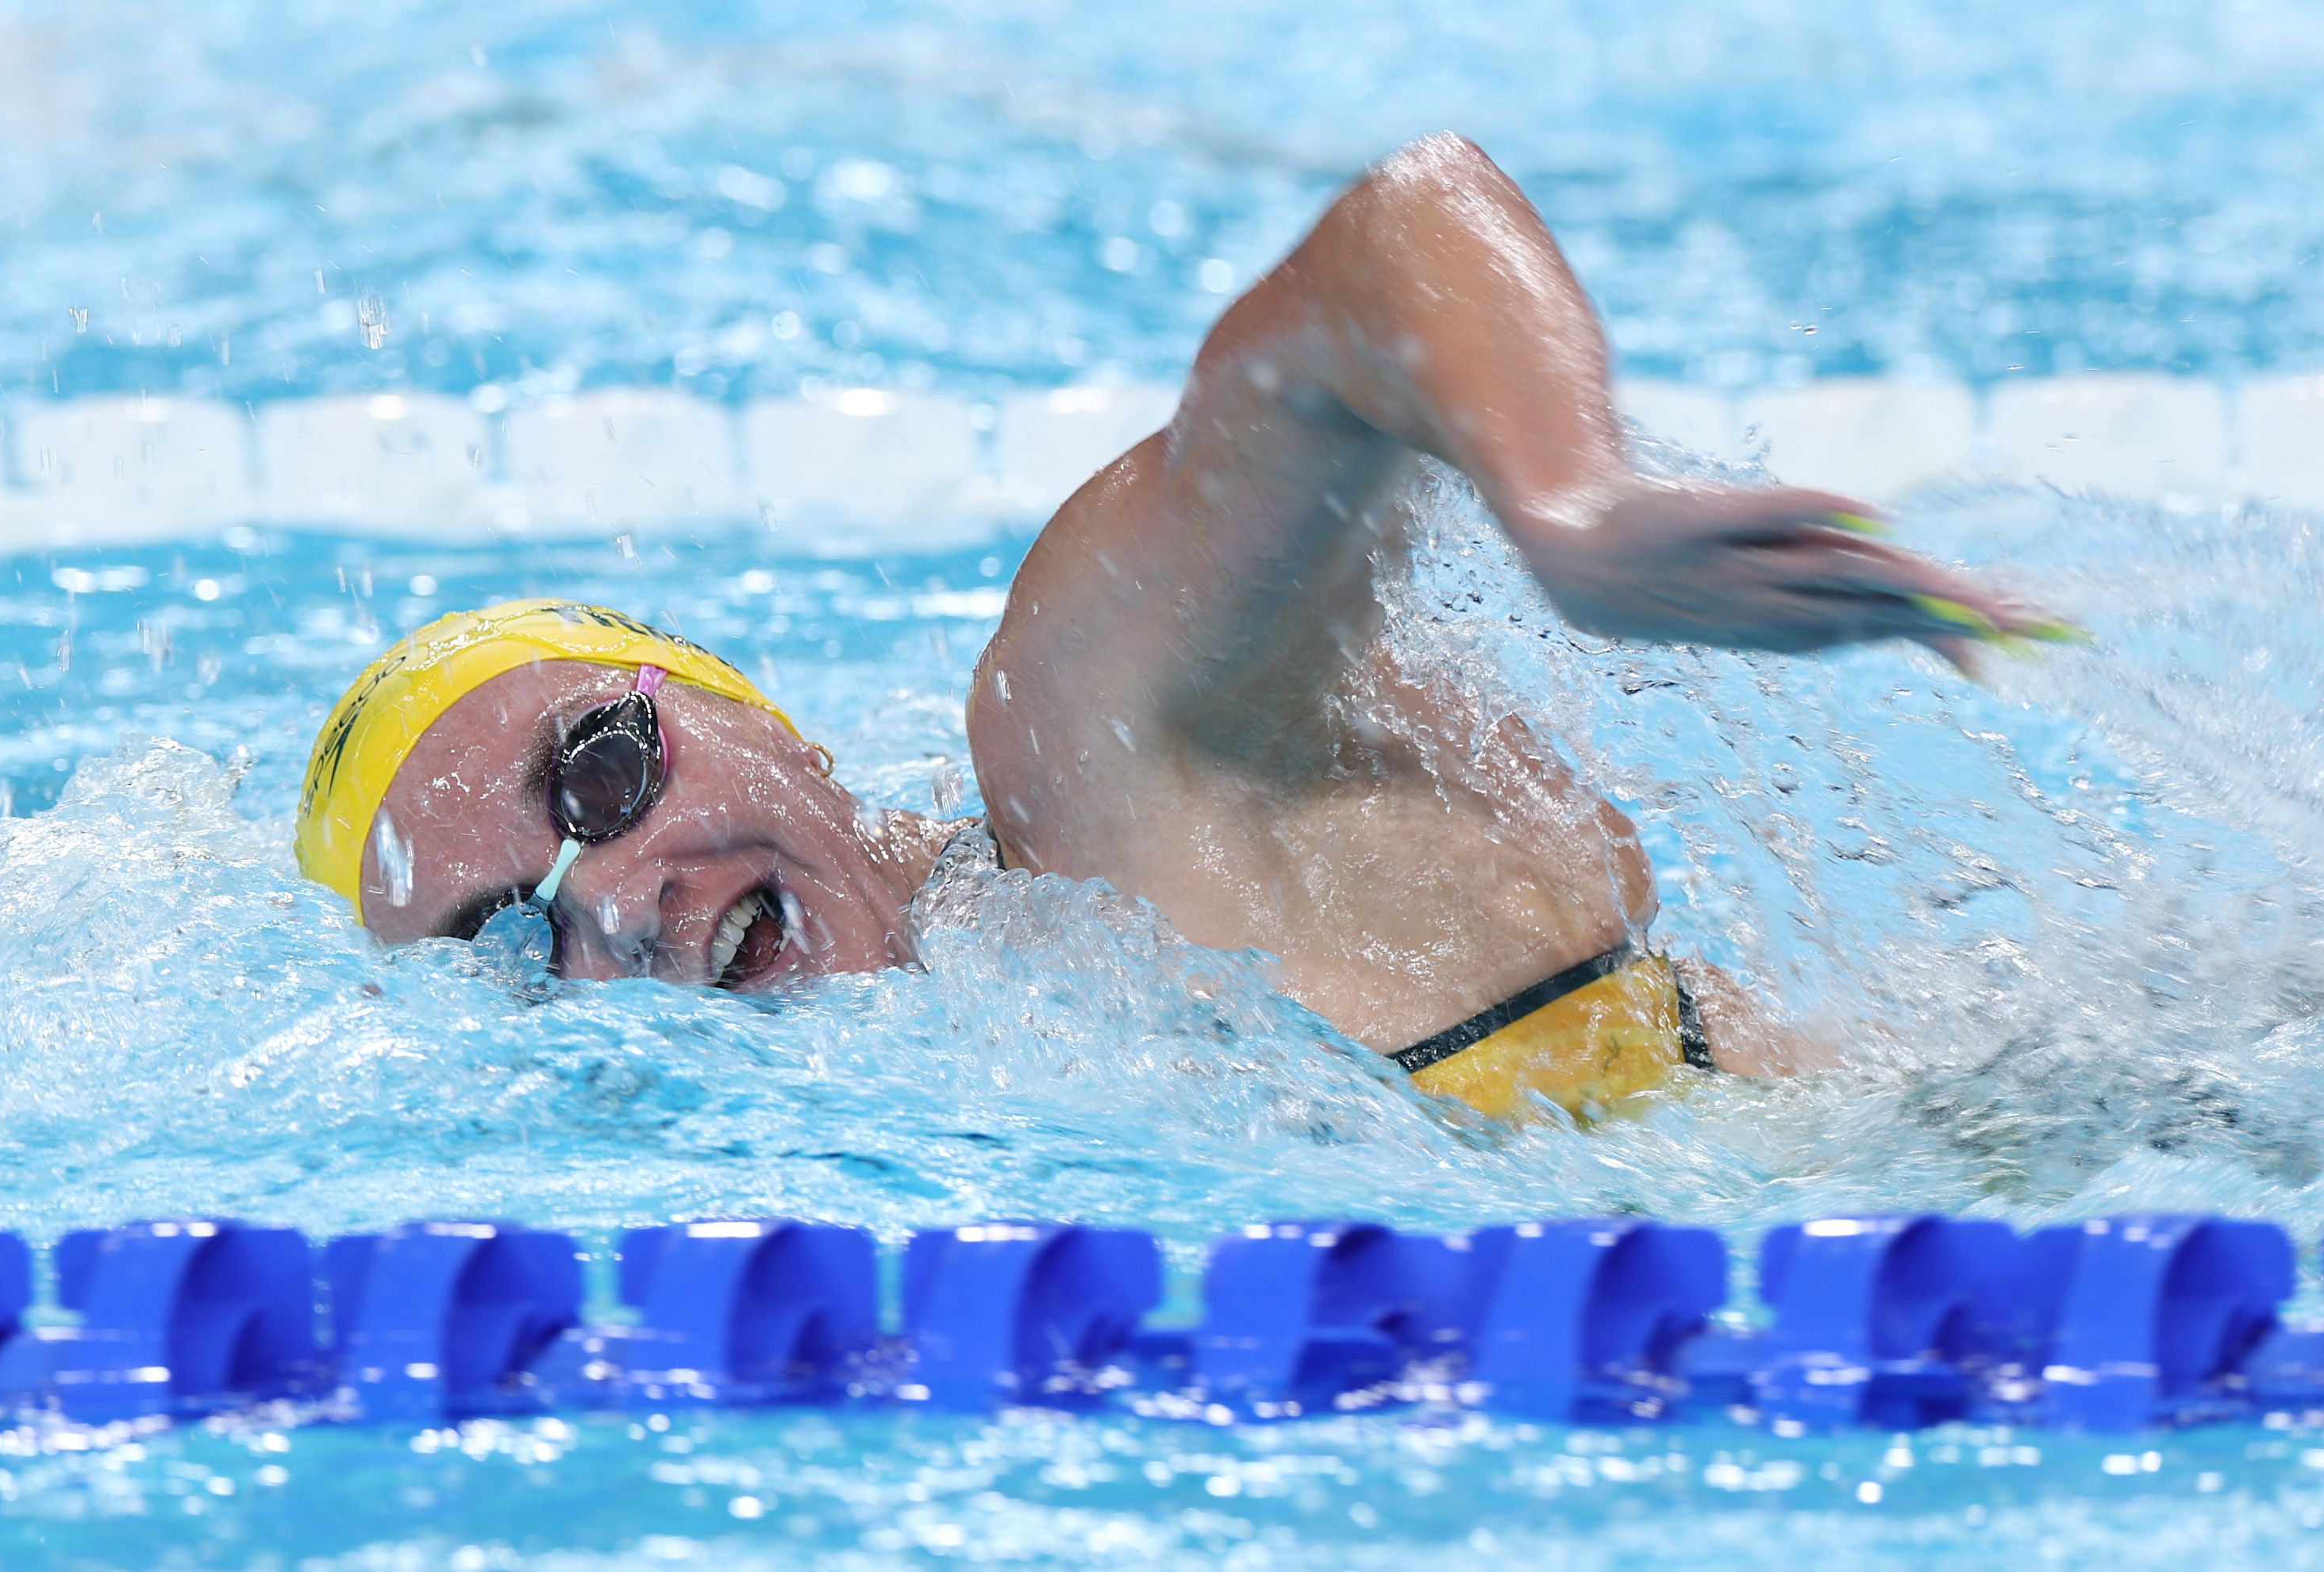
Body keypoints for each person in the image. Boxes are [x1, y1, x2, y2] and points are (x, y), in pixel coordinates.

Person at [292, 134, 2064, 1120]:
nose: (609, 902)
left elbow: (1388, 246)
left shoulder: (1109, 755)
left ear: (757, 722)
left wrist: (1569, 502)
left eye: (598, 772)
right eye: (507, 946)